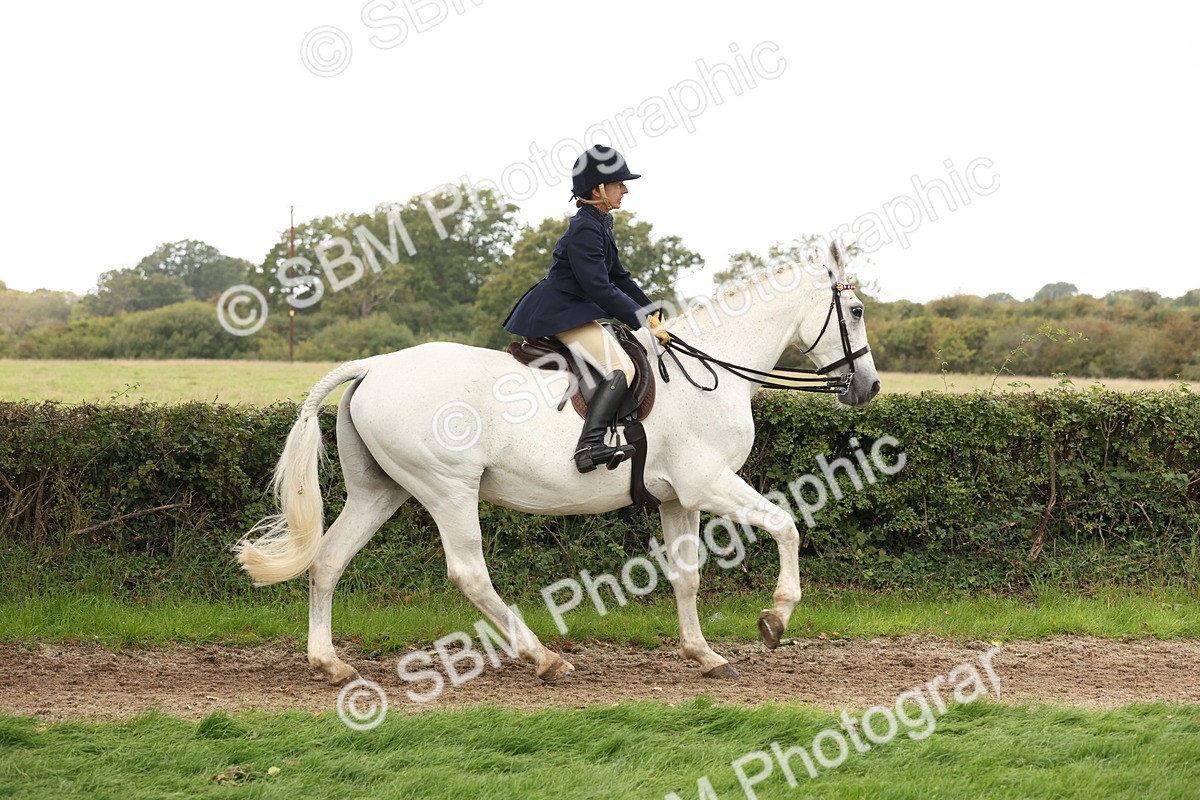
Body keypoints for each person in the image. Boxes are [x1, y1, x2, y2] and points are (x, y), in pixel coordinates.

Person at [503, 145, 670, 473]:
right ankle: (589, 445)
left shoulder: (600, 222)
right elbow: (600, 288)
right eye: (618, 183)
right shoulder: (585, 227)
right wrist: (642, 322)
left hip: (572, 308)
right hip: (559, 312)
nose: (625, 189)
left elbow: (619, 277)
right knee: (622, 367)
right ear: (598, 190)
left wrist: (653, 313)